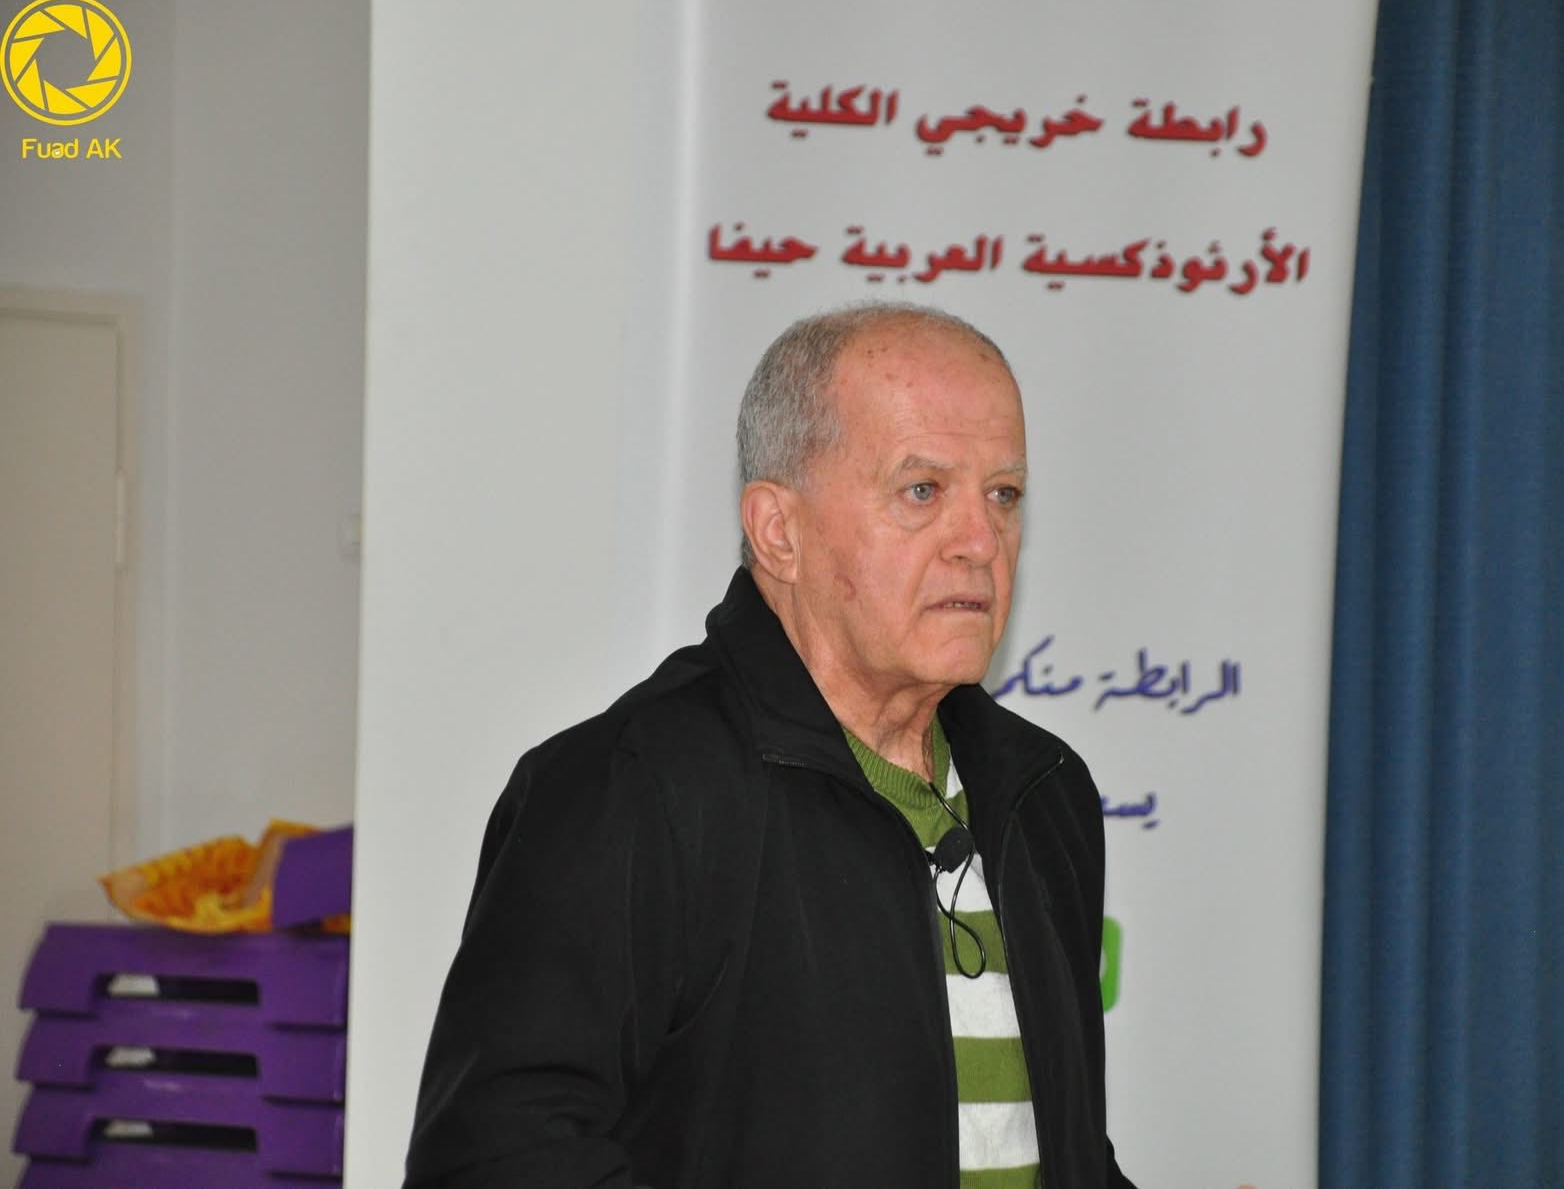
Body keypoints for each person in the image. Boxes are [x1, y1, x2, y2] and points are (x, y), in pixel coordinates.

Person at [403, 303, 1135, 1188]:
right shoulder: (629, 788)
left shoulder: (1042, 793)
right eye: (922, 491)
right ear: (778, 530)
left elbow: (1062, 1152)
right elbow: (495, 1159)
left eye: (1004, 495)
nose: (981, 542)